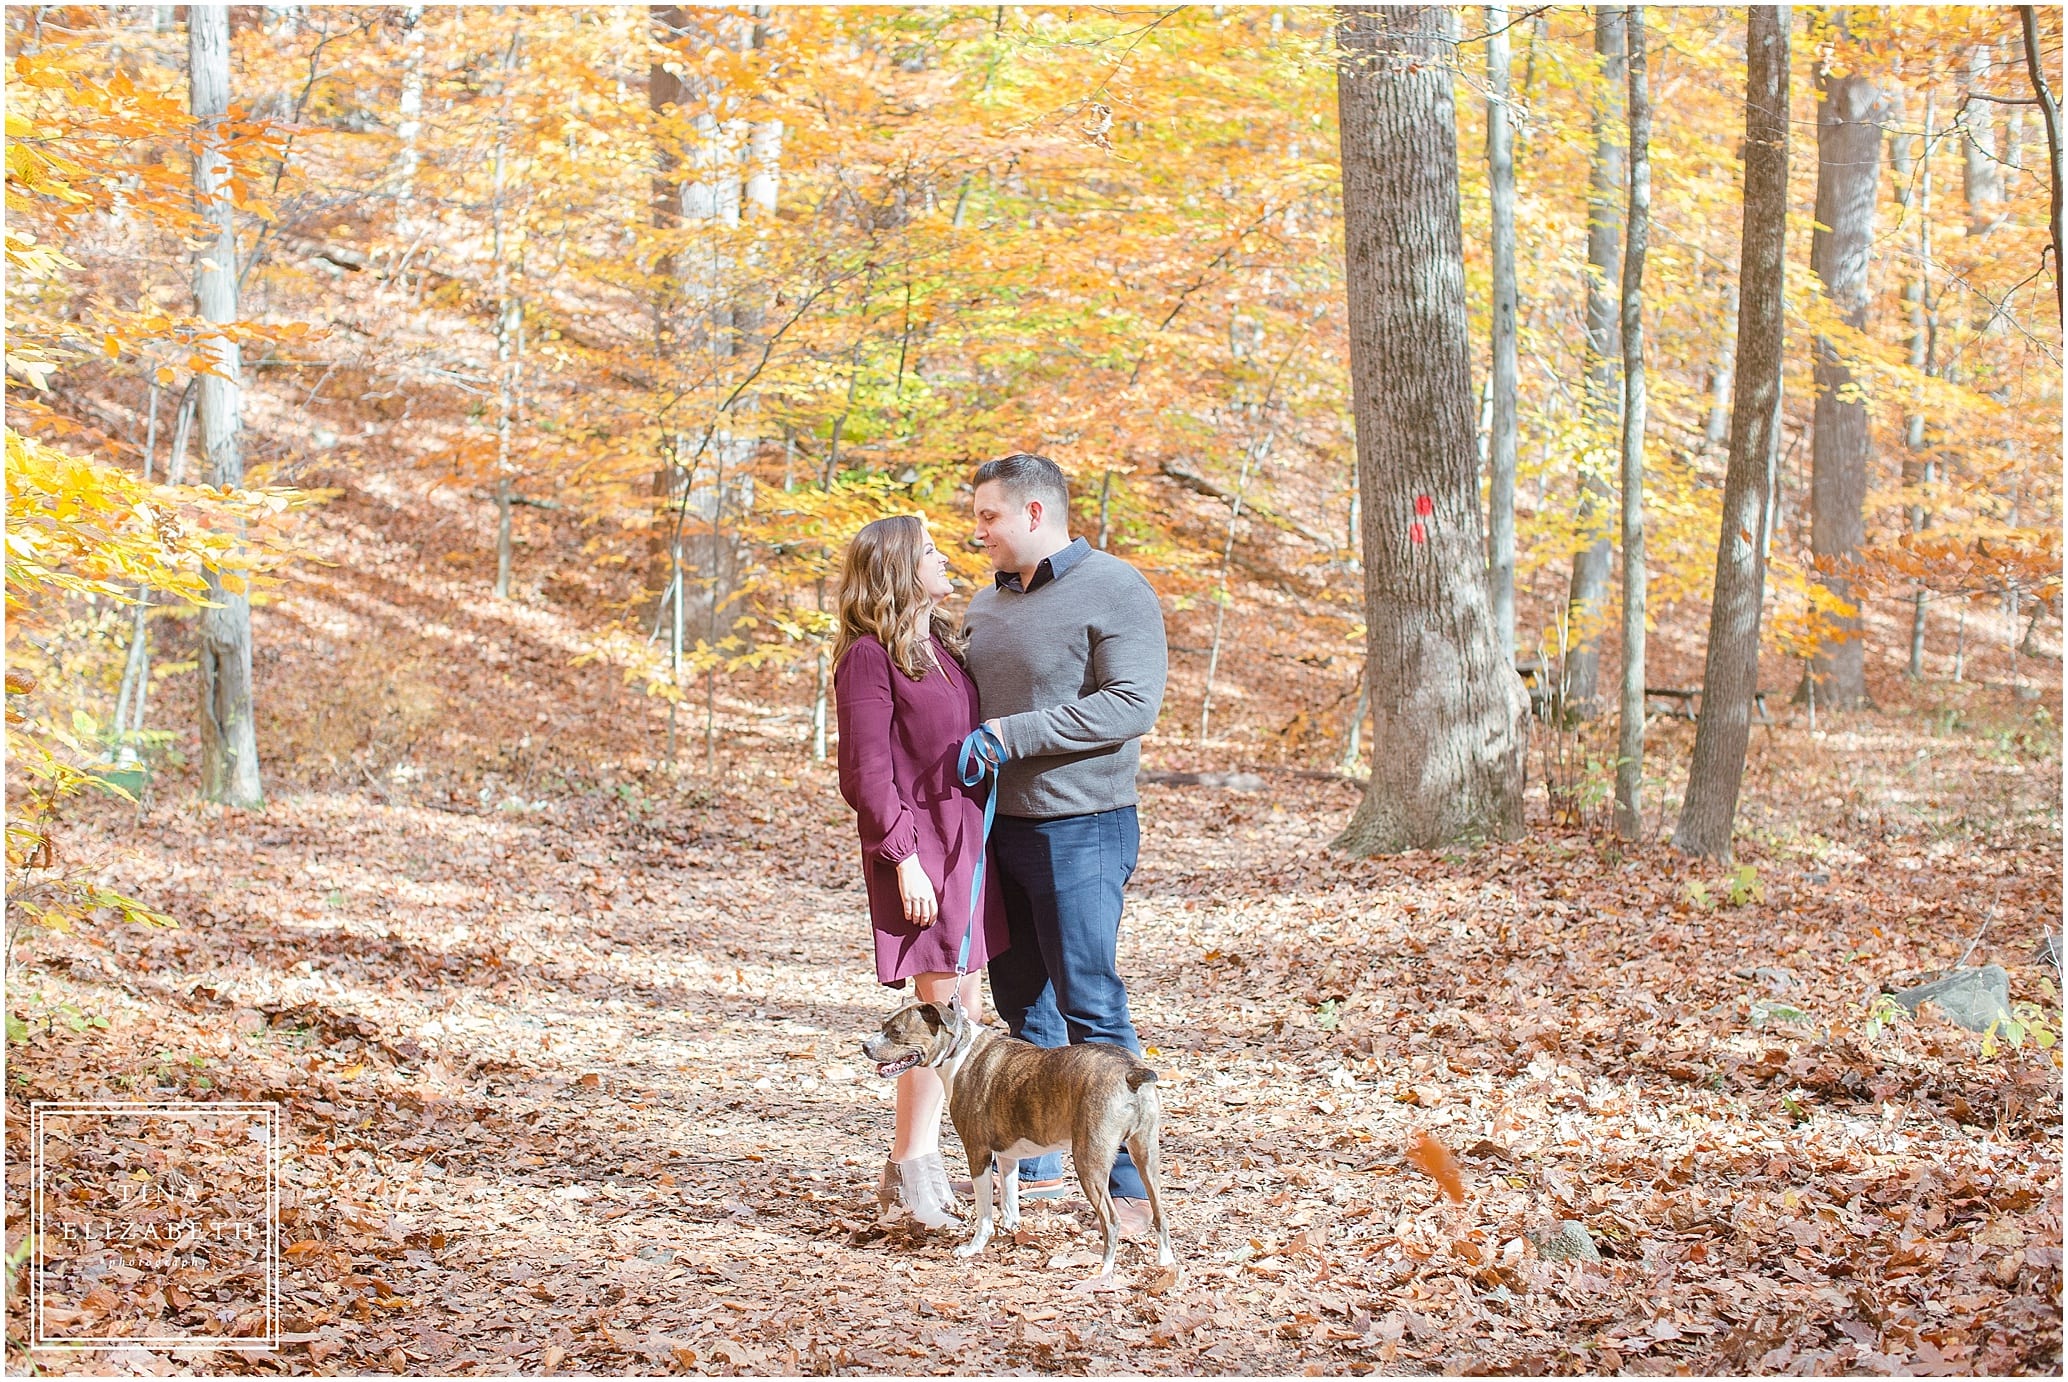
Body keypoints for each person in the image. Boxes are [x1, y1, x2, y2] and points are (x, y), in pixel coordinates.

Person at [962, 452, 1168, 1237]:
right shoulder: (985, 604)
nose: (977, 529)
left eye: (989, 515)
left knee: (1090, 1002)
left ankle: (1132, 1184)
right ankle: (1043, 1163)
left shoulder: (1116, 588)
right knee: (1023, 1006)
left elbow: (1130, 704)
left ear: (1036, 513)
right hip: (997, 831)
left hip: (1082, 825)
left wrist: (1013, 735)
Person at [833, 514, 1008, 1229]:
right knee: (942, 1017)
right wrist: (903, 860)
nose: (946, 559)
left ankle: (907, 1169)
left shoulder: (938, 645)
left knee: (962, 1012)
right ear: (901, 569)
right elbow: (866, 773)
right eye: (932, 551)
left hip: (967, 844)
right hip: (921, 849)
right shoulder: (868, 657)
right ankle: (913, 1172)